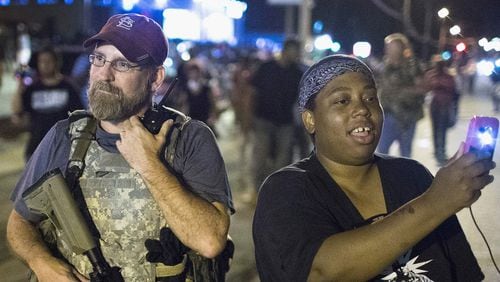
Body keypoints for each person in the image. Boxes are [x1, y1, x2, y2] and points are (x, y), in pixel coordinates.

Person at [7, 13, 233, 281]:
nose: (104, 74)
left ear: (156, 77)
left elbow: (210, 241)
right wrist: (41, 262)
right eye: (99, 59)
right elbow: (19, 222)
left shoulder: (187, 138)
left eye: (123, 64)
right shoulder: (65, 136)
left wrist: (149, 164)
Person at [253, 54, 493, 281]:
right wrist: (437, 201)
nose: (362, 109)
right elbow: (320, 271)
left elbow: (463, 273)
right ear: (310, 119)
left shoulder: (412, 176)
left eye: (370, 98)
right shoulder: (286, 190)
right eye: (342, 101)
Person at [250, 38, 306, 193]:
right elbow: (252, 93)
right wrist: (248, 119)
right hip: (263, 119)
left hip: (285, 122)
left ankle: (276, 192)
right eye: (293, 51)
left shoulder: (298, 73)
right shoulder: (266, 68)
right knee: (260, 158)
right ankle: (257, 191)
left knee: (283, 160)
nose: (295, 55)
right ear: (285, 50)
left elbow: (301, 100)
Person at [11, 45, 83, 161]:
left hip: (62, 149)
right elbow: (17, 111)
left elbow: (79, 117)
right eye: (41, 61)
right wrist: (19, 88)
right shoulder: (33, 88)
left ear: (56, 62)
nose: (45, 64)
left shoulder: (68, 87)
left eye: (48, 61)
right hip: (36, 148)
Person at [376, 33, 426, 157]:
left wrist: (401, 91)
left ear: (402, 48)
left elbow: (422, 88)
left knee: (405, 155)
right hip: (387, 116)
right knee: (381, 152)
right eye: (388, 47)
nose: (388, 50)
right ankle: (382, 176)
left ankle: (403, 176)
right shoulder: (384, 66)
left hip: (407, 118)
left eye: (392, 47)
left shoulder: (412, 66)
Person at [424, 55, 459, 166]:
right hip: (435, 105)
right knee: (435, 130)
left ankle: (441, 152)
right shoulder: (431, 75)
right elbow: (426, 88)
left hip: (444, 106)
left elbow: (454, 91)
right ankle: (437, 152)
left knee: (442, 130)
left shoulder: (449, 76)